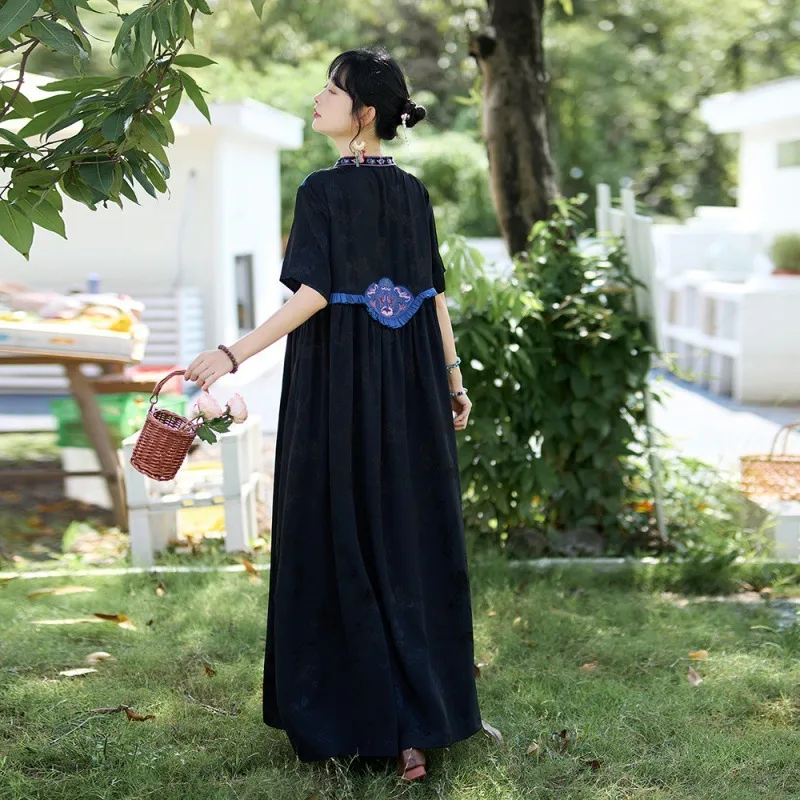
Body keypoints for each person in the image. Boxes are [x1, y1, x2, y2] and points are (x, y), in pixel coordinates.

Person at [182, 46, 481, 781]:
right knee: (403, 533)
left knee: (340, 528)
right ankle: (417, 724)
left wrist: (231, 353)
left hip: (340, 380)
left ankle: (362, 720)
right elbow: (433, 297)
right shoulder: (412, 193)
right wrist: (451, 377)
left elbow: (313, 296)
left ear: (364, 114)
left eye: (332, 91)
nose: (318, 99)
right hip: (409, 380)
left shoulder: (321, 191)